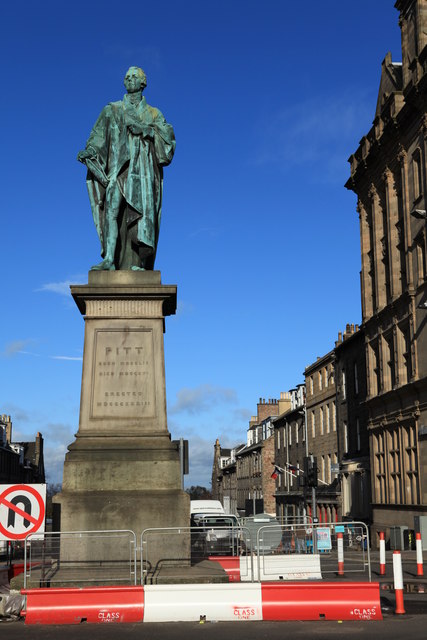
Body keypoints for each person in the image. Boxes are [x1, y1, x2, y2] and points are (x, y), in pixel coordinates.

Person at [77, 66, 176, 271]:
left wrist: (146, 130)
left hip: (143, 174)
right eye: (127, 77)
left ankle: (140, 263)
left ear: (143, 83)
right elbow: (97, 138)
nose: (130, 80)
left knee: (143, 217)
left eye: (134, 77)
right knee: (111, 211)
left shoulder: (154, 113)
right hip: (118, 170)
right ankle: (109, 259)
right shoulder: (111, 110)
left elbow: (167, 143)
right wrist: (90, 151)